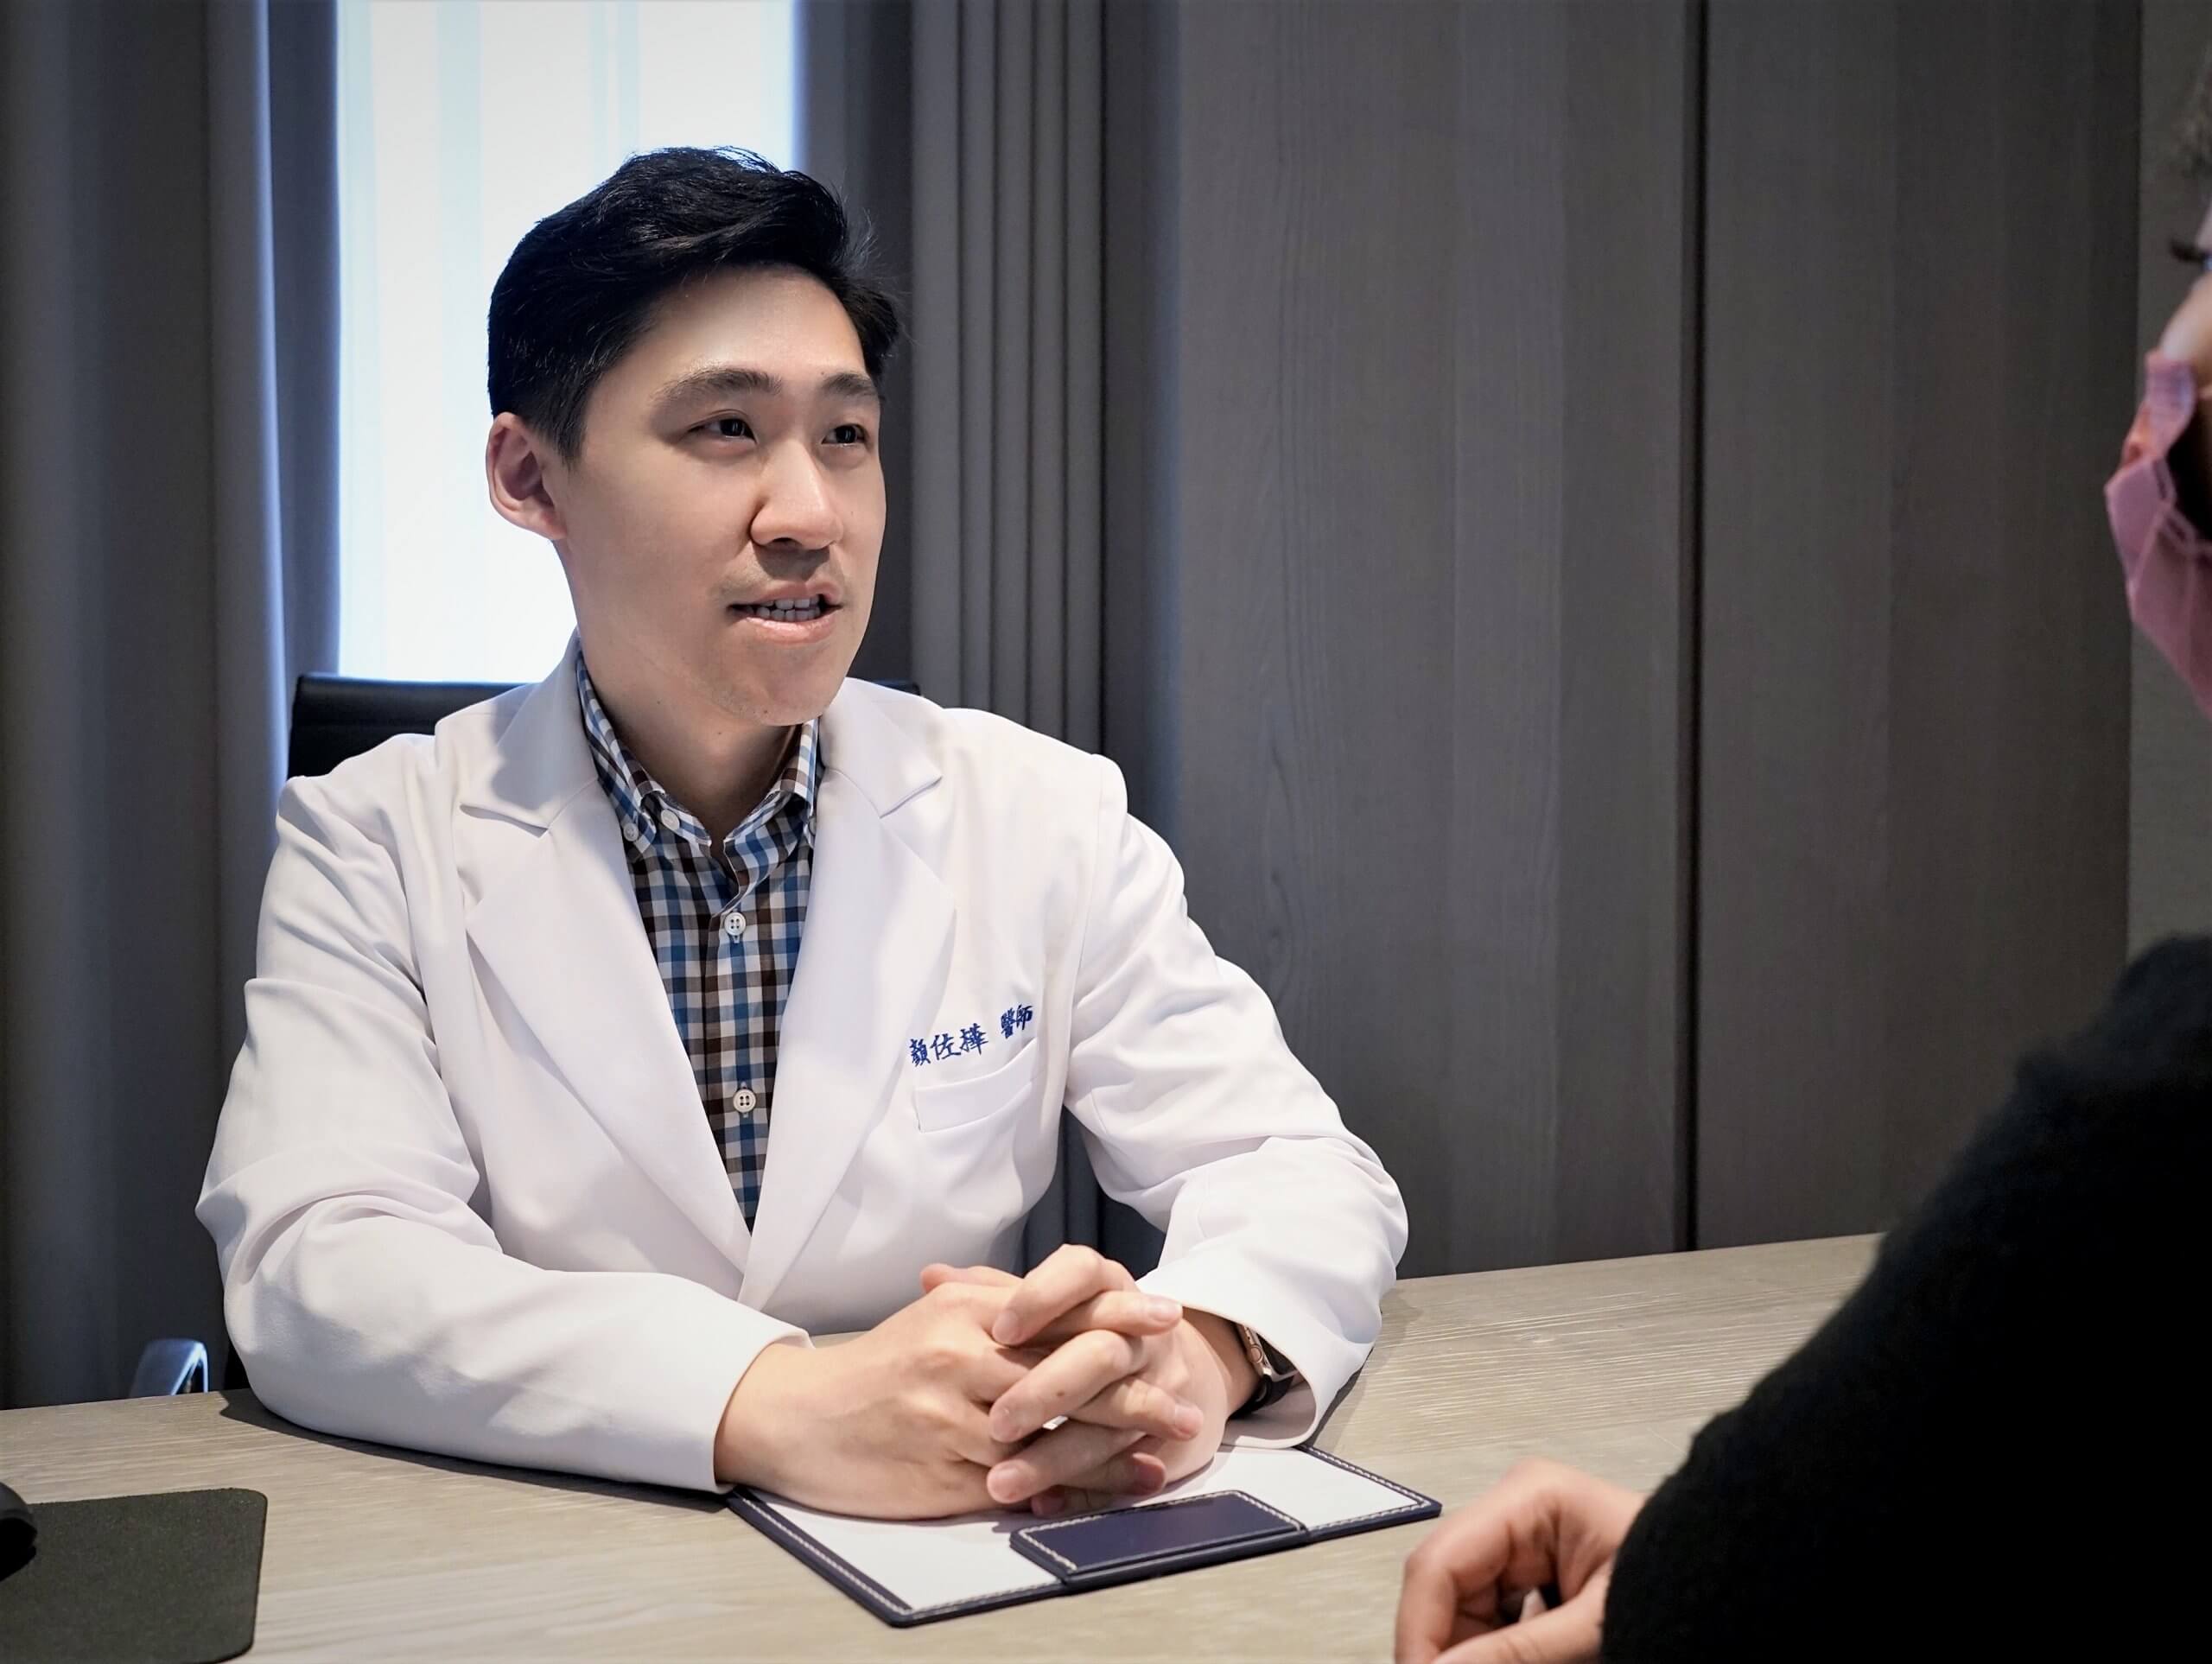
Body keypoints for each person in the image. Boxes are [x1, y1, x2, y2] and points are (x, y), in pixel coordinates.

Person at [198, 149, 1406, 1520]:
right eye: (726, 429)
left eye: (845, 436)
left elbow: (1296, 1166)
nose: (811, 515)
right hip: (565, 1556)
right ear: (532, 476)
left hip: (963, 1552)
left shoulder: (1035, 812)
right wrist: (769, 1402)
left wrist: (1199, 1355)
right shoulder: (374, 839)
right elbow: (321, 1265)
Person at [1393, 76, 2212, 1664]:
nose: (2154, 396)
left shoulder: (2169, 1112)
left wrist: (1203, 1335)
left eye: (2200, 260)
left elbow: (1297, 1165)